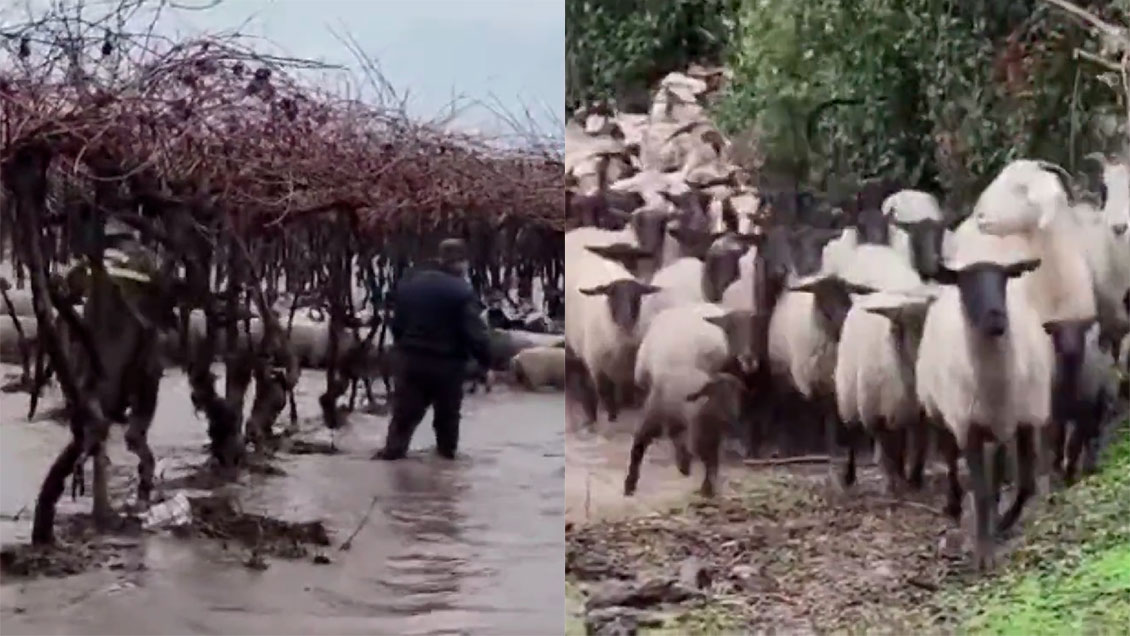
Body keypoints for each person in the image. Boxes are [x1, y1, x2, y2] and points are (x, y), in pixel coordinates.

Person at [372, 238, 493, 460]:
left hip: (410, 361)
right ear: (460, 262)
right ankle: (443, 473)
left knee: (403, 418)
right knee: (447, 421)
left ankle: (392, 465)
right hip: (447, 366)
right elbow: (475, 334)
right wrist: (485, 363)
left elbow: (397, 324)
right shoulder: (462, 292)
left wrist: (404, 348)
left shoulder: (409, 284)